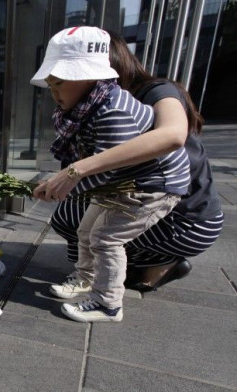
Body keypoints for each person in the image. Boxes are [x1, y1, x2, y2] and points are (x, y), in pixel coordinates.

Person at [30, 26, 190, 323]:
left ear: (87, 75)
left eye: (59, 83)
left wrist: (61, 187)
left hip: (151, 186)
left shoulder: (113, 110)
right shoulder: (88, 106)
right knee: (85, 230)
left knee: (106, 238)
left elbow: (105, 169)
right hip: (124, 183)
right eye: (50, 85)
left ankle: (108, 303)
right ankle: (85, 278)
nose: (53, 93)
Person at [44, 31, 224, 293]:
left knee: (92, 230)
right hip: (143, 196)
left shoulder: (150, 94)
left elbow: (172, 135)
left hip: (187, 216)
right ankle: (102, 273)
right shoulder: (92, 106)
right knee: (75, 217)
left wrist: (78, 170)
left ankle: (141, 273)